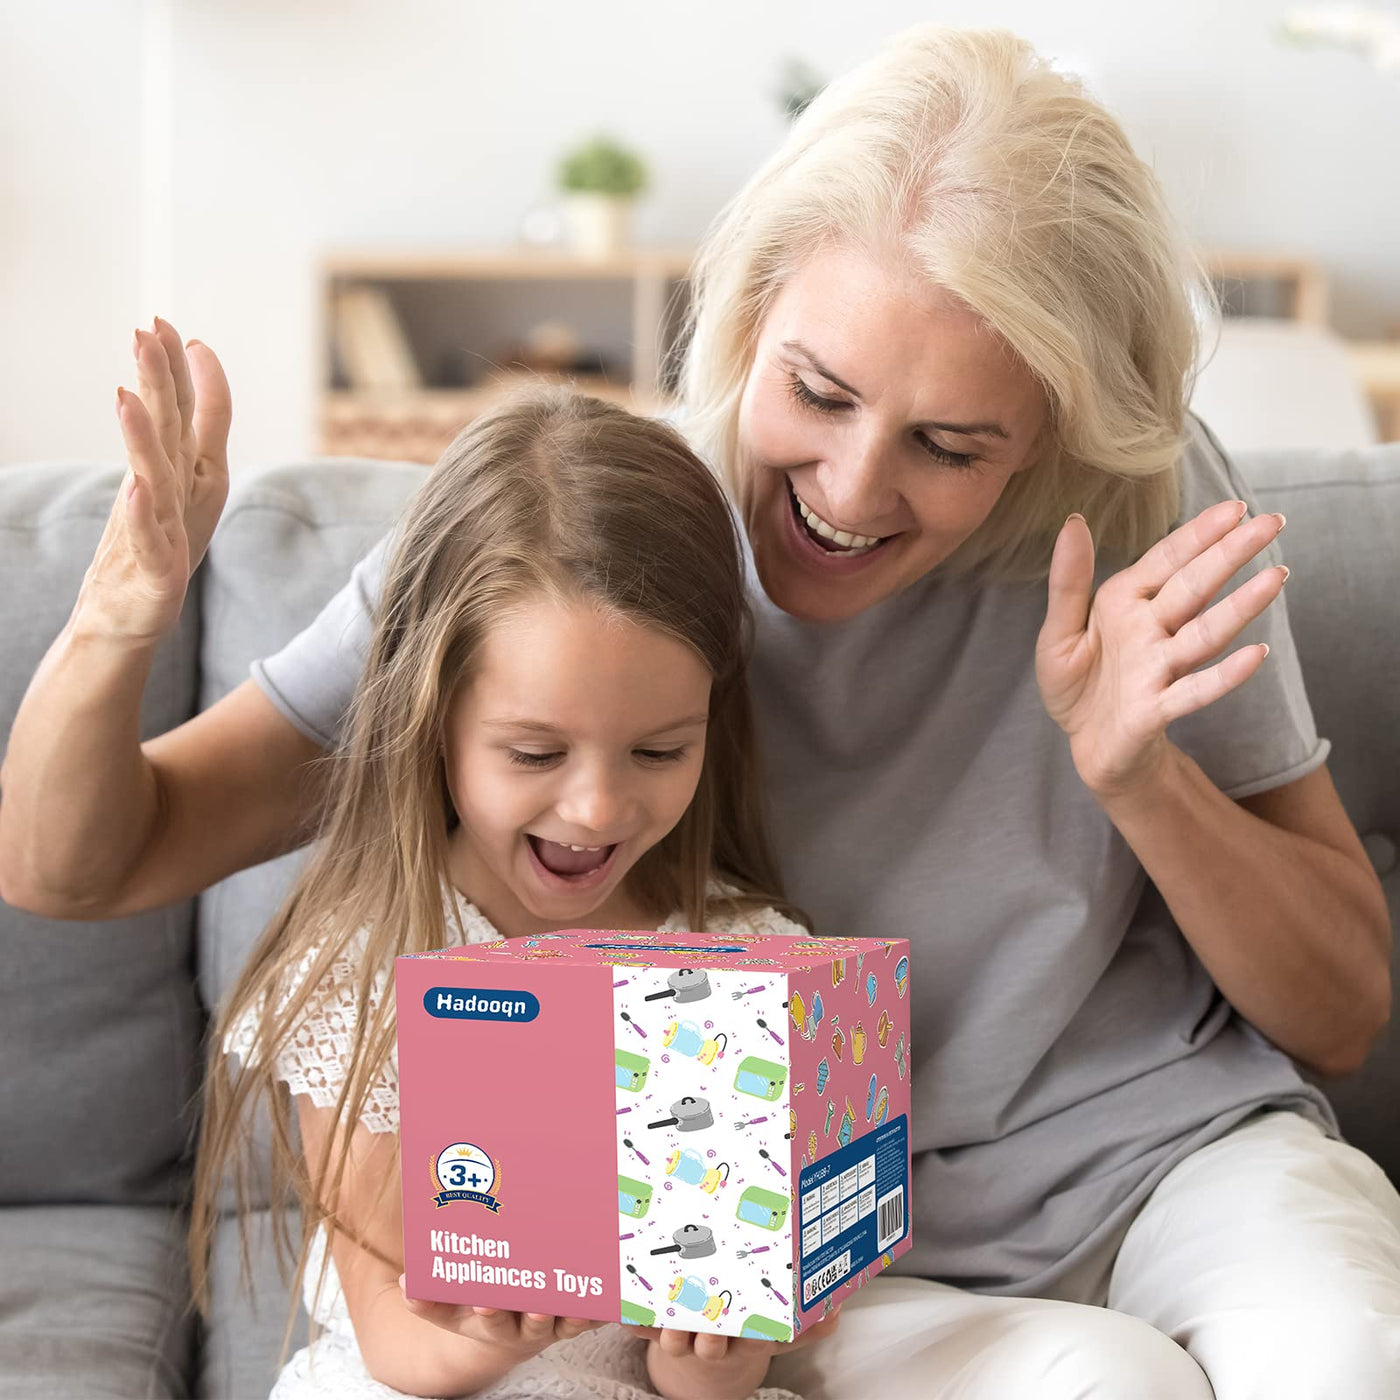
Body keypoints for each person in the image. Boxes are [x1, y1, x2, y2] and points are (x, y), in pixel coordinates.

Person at [3, 23, 1397, 1399]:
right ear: (748, 313)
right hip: (816, 1238)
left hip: (1150, 1158)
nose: (849, 492)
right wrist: (125, 609)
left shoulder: (1152, 516)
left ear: (1056, 432)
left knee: (1350, 1354)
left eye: (951, 446)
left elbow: (1340, 1011)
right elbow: (82, 861)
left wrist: (1140, 777)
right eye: (817, 390)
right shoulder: (588, 547)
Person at [198, 384, 839, 1399]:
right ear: (436, 715)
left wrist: (711, 1356)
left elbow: (724, 1342)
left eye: (658, 749)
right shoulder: (366, 966)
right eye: (534, 751)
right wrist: (501, 1324)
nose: (594, 807)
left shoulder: (741, 957)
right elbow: (393, 1340)